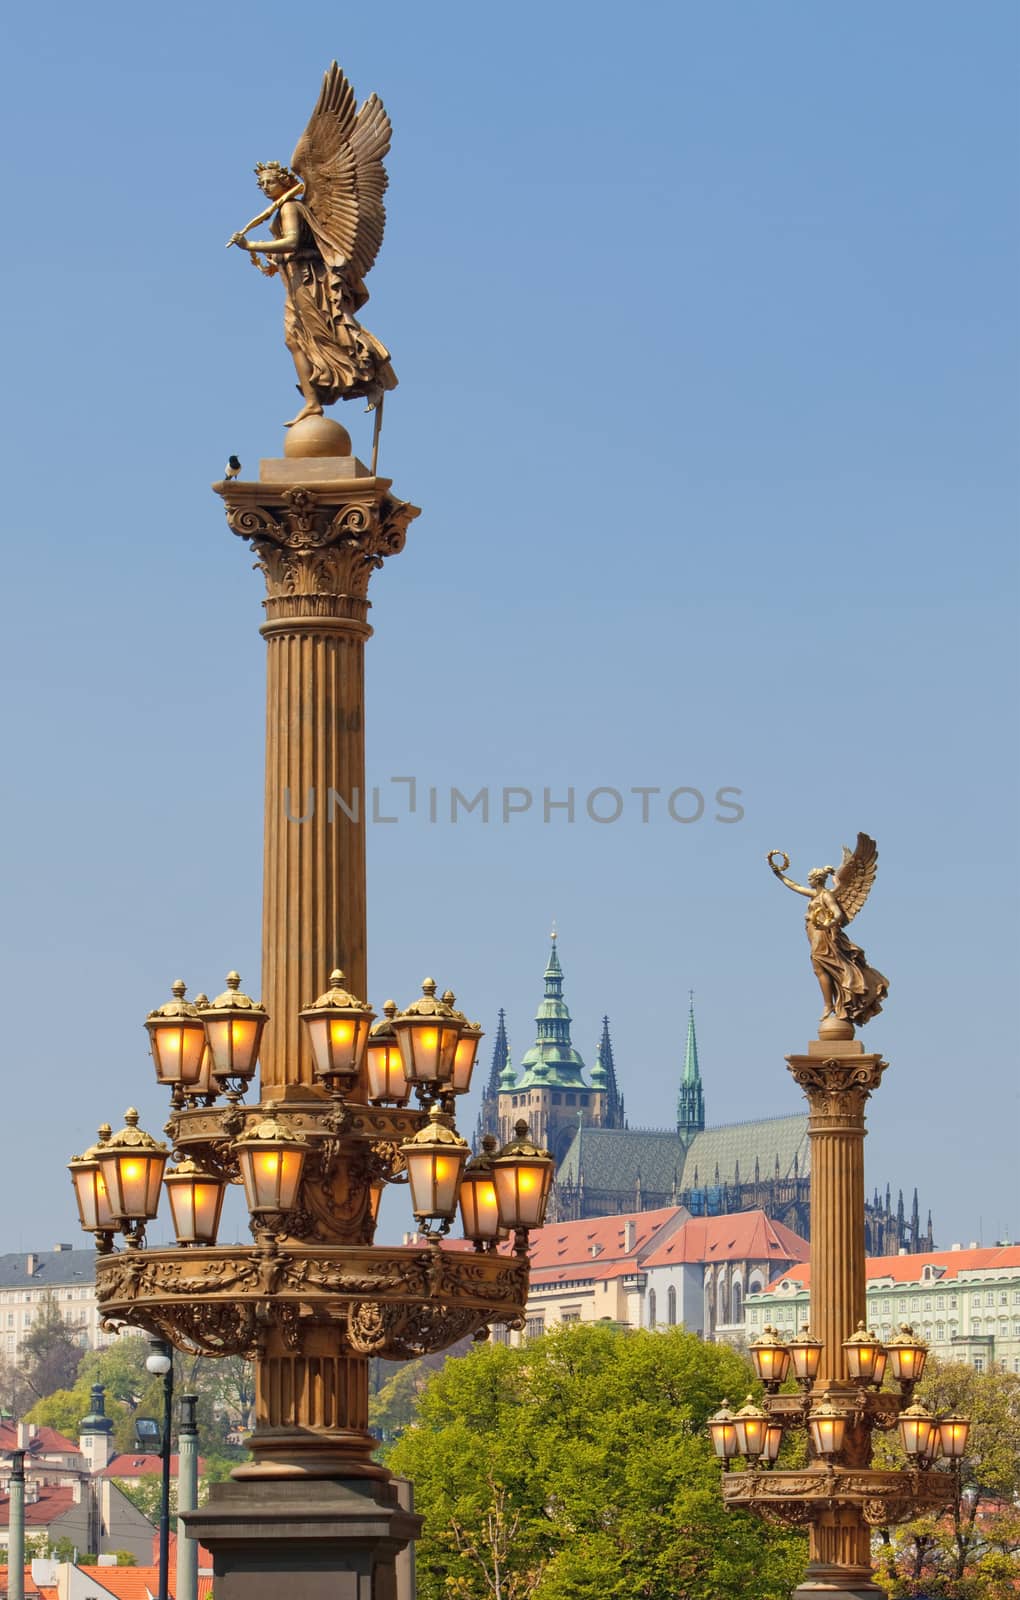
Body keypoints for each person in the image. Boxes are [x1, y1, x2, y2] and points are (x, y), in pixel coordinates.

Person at [231, 161, 397, 426]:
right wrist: (273, 261)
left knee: (326, 334)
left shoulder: (289, 207)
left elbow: (294, 242)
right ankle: (312, 402)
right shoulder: (284, 209)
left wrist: (252, 244)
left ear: (285, 182)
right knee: (295, 340)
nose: (264, 187)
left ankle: (371, 379)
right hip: (295, 281)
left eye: (269, 182)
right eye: (260, 184)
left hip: (310, 281)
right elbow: (289, 249)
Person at [768, 857, 889, 1026]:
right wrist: (779, 874)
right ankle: (831, 1004)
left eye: (809, 879)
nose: (807, 882)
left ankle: (830, 1005)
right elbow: (795, 886)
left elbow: (837, 914)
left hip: (823, 936)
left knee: (823, 966)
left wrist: (827, 924)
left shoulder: (826, 896)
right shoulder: (815, 894)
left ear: (816, 880)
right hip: (815, 935)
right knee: (820, 970)